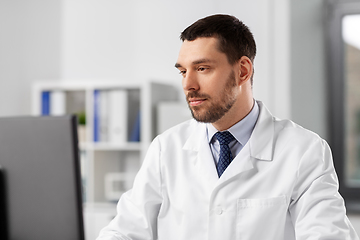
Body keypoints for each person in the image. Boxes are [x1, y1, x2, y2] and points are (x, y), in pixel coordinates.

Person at [97, 14, 359, 240]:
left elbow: (327, 234)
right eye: (183, 71)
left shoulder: (304, 151)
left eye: (202, 68)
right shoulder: (166, 149)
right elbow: (124, 230)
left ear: (243, 71)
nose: (189, 84)